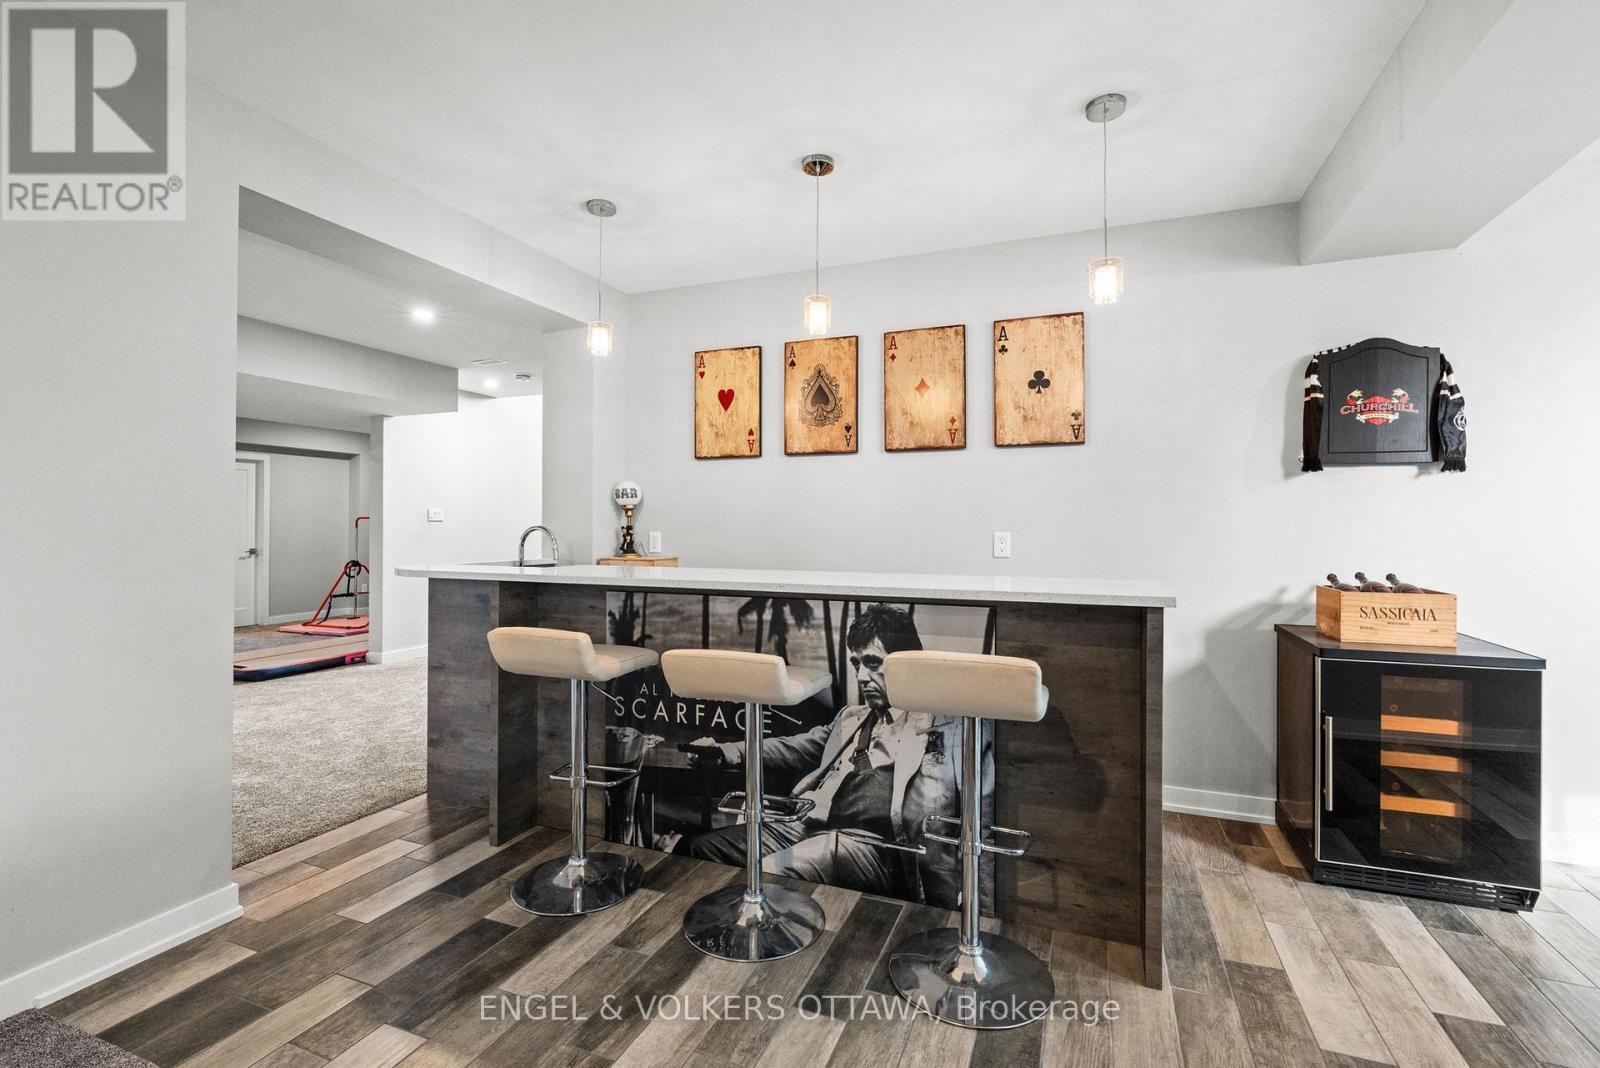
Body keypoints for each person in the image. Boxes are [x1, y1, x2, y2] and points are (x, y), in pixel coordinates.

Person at [675, 604, 986, 906]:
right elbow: (796, 746)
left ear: (907, 663)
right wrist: (725, 751)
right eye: (856, 664)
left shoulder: (945, 724)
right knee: (700, 847)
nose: (862, 676)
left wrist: (979, 905)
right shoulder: (853, 717)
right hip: (812, 825)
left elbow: (979, 814)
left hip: (874, 848)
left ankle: (771, 940)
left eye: (873, 663)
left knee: (776, 869)